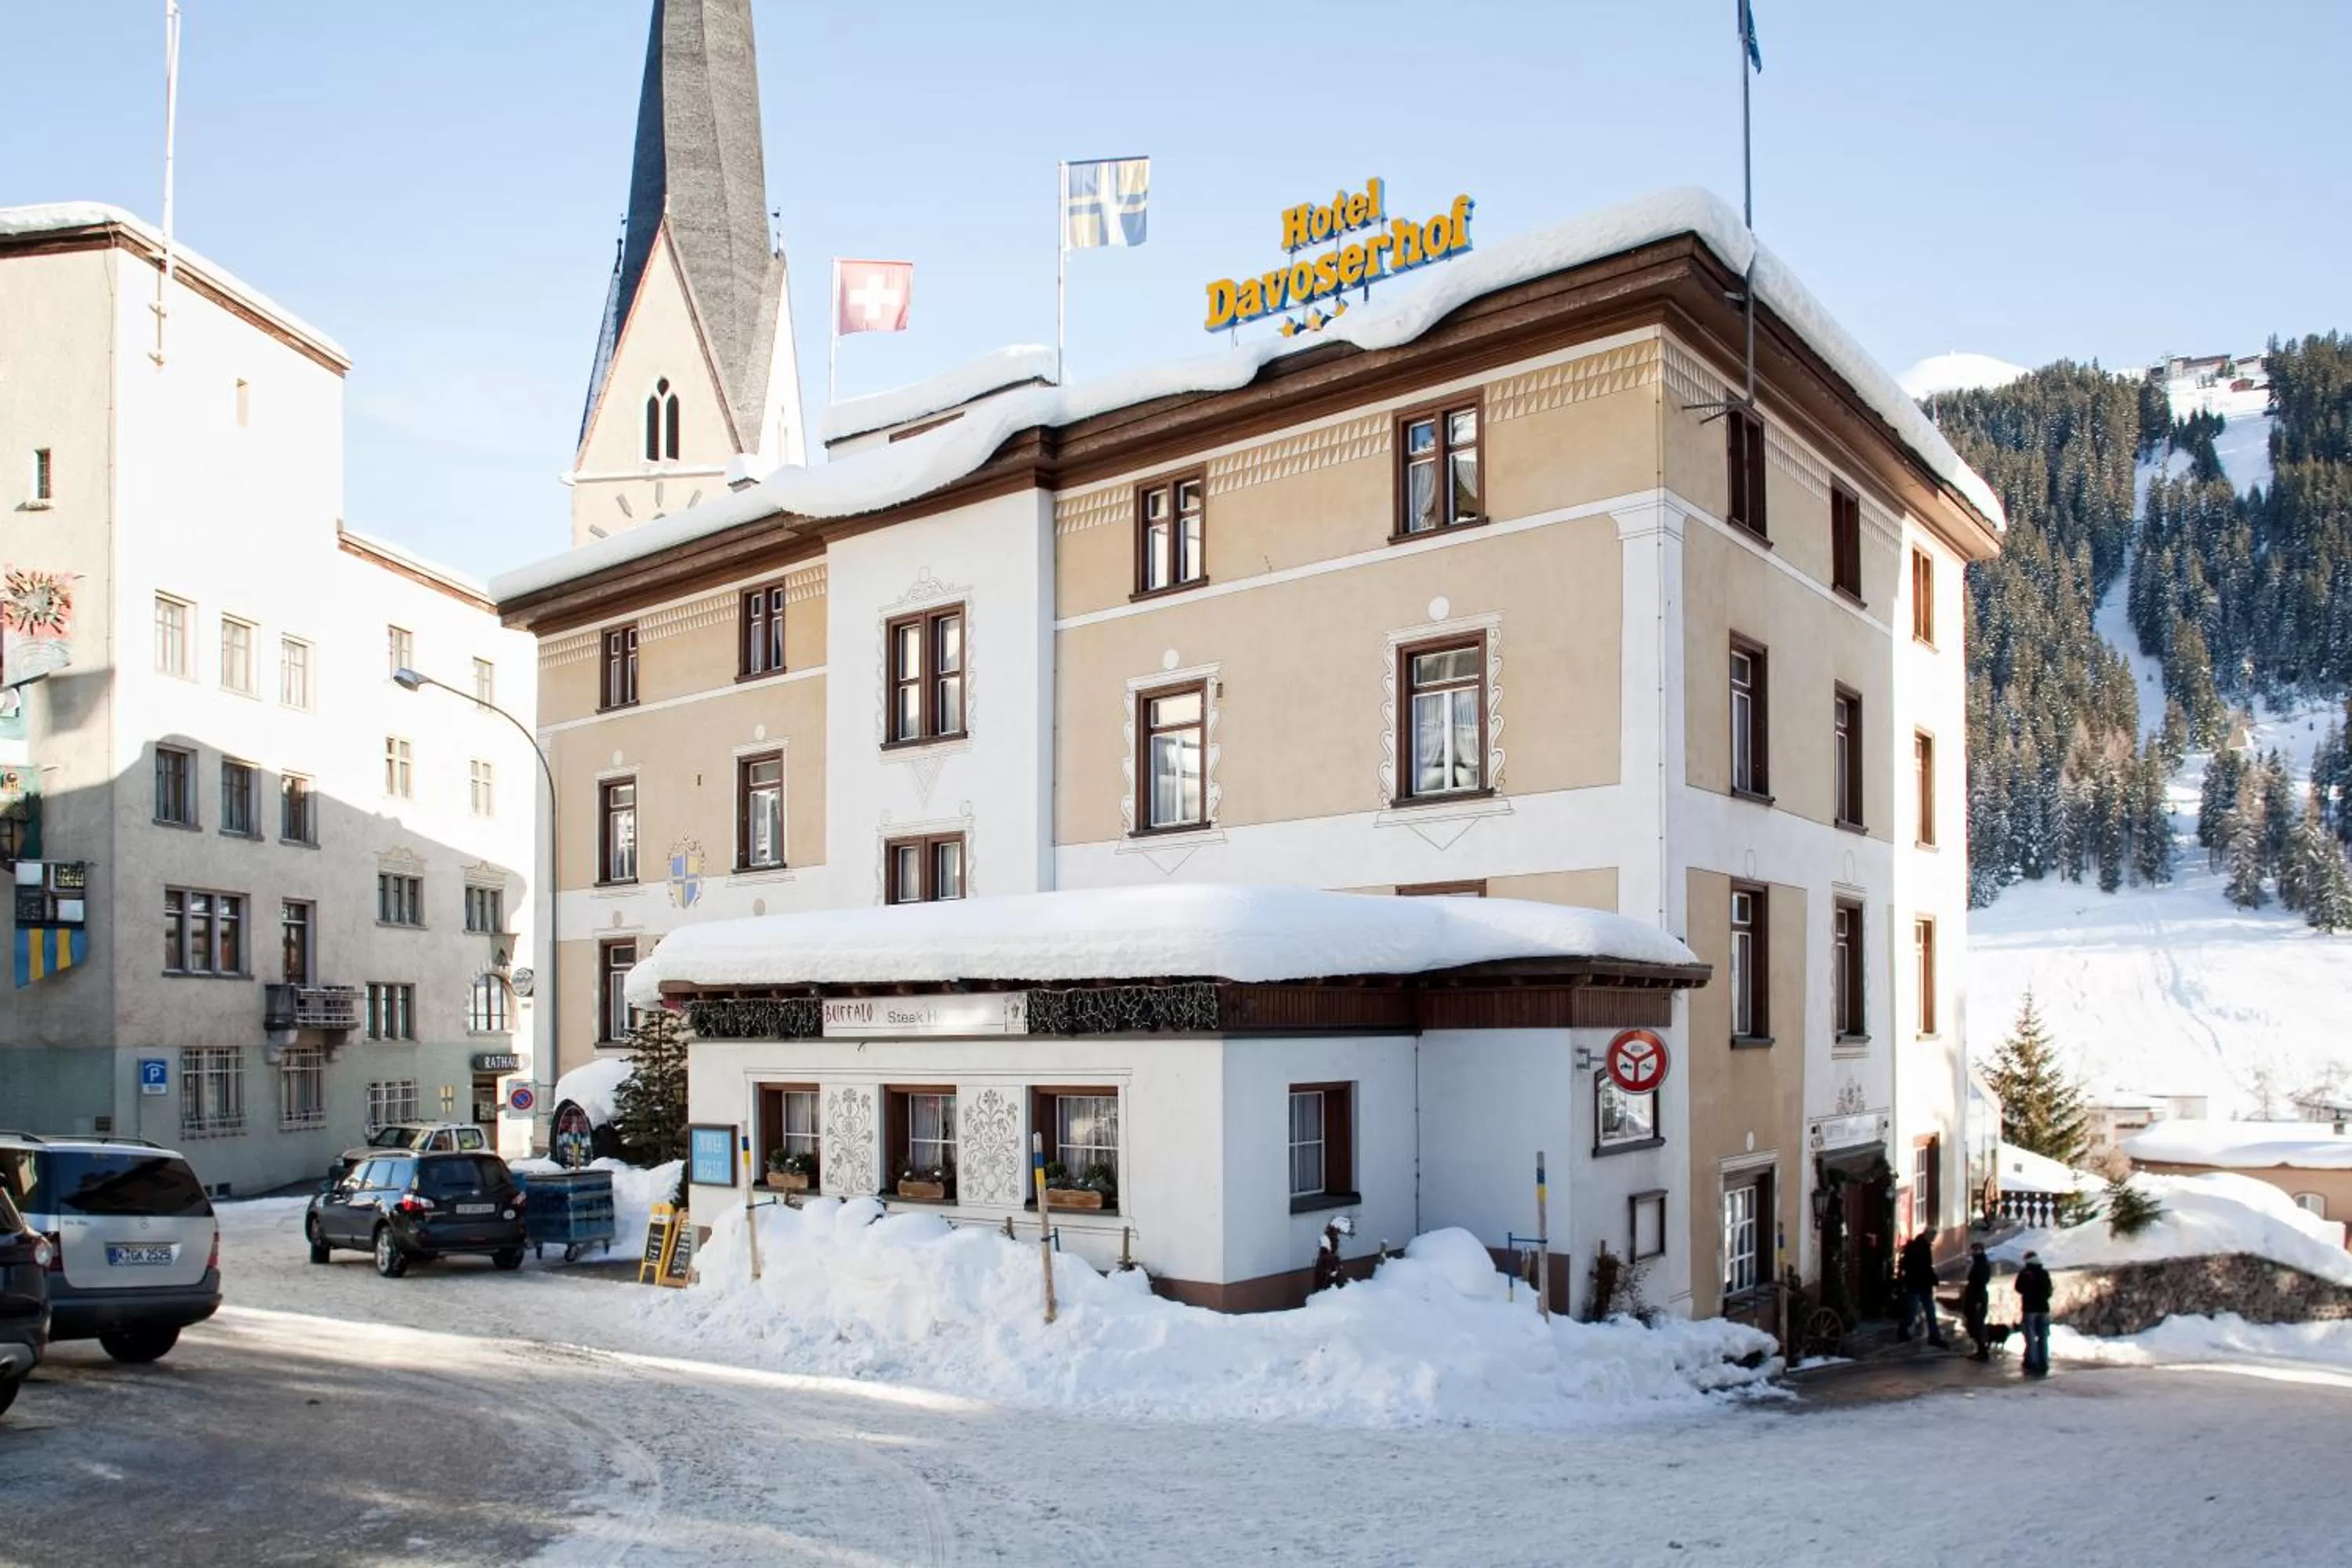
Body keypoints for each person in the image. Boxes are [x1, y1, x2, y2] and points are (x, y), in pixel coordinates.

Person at [1897, 1229, 1947, 1347]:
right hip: (1915, 1285)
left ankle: (1934, 1336)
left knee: (1929, 1312)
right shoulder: (1916, 1248)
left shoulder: (1924, 1247)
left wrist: (1932, 1278)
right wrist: (1931, 1277)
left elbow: (1927, 1266)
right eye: (1933, 1236)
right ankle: (1903, 1331)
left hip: (1922, 1285)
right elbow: (1922, 1267)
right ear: (1927, 1235)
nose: (1934, 1239)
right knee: (1913, 1312)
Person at [2015, 1250, 2054, 1376]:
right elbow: (2049, 1291)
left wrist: (2029, 1294)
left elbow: (2018, 1288)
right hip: (2044, 1308)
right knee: (2043, 1336)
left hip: (2029, 1309)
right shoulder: (2044, 1273)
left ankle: (2032, 1361)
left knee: (2030, 1336)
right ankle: (2043, 1361)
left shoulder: (2025, 1273)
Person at [1961, 1241, 1993, 1362]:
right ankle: (1980, 1350)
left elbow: (1980, 1281)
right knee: (1972, 1324)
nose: (1972, 1252)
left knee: (1976, 1325)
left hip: (1977, 1297)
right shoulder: (1978, 1263)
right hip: (1974, 1296)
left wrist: (1977, 1300)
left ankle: (1982, 1351)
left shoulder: (1981, 1264)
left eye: (1975, 1250)